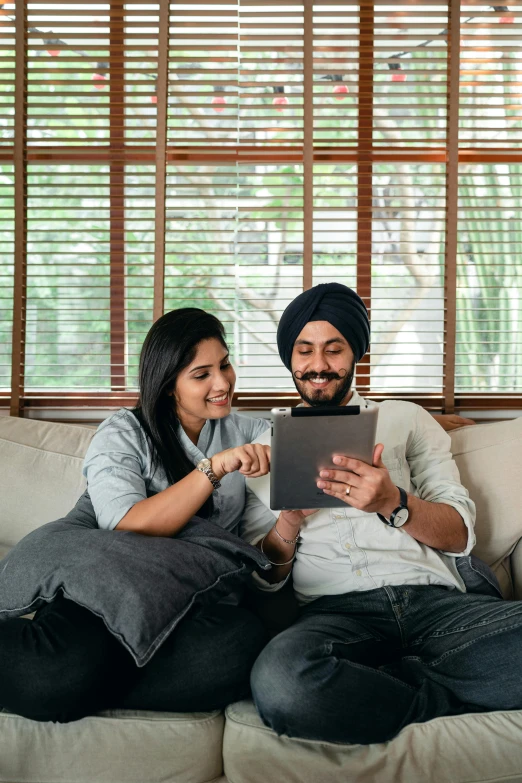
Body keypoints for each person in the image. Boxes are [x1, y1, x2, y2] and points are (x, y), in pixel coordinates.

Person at [248, 282, 522, 746]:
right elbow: (265, 578)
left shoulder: (407, 419)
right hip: (335, 616)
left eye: (334, 350)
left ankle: (389, 685)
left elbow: (459, 535)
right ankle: (443, 692)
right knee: (282, 685)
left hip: (439, 606)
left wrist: (392, 503)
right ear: (289, 358)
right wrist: (289, 523)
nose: (318, 366)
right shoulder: (261, 444)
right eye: (305, 351)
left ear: (356, 353)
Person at [0, 308, 280, 723]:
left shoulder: (246, 431)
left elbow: (295, 454)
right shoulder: (124, 432)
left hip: (187, 604)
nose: (222, 383)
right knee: (52, 676)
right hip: (106, 593)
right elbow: (125, 523)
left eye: (224, 364)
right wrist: (214, 468)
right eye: (201, 374)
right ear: (168, 385)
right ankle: (65, 679)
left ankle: (80, 686)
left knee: (238, 646)